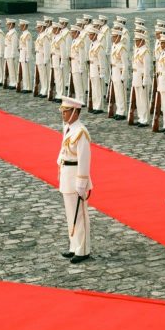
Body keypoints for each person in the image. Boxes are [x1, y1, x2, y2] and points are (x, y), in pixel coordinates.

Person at [57, 96, 93, 264]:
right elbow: (63, 150)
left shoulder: (81, 132)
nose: (63, 114)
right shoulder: (68, 128)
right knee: (71, 214)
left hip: (76, 176)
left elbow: (84, 160)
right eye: (63, 111)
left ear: (75, 112)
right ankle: (74, 246)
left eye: (66, 111)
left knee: (80, 215)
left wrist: (82, 183)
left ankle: (83, 249)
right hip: (66, 174)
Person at [131, 32, 151, 126]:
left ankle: (145, 119)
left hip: (142, 78)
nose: (136, 42)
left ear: (142, 41)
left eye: (138, 41)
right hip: (136, 77)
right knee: (138, 100)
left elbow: (147, 67)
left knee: (143, 100)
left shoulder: (145, 51)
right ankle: (140, 117)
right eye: (136, 41)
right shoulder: (137, 50)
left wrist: (145, 80)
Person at [87, 26, 107, 114]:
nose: (89, 36)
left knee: (98, 89)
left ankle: (99, 107)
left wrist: (102, 71)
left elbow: (102, 60)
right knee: (94, 89)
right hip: (92, 68)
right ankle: (95, 106)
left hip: (97, 69)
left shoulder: (99, 46)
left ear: (95, 35)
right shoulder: (92, 44)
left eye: (91, 35)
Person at [110, 29, 128, 120]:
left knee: (121, 93)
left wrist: (123, 75)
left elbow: (125, 63)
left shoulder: (122, 47)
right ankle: (118, 110)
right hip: (115, 71)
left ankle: (122, 112)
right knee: (117, 93)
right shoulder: (114, 46)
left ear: (118, 37)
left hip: (120, 72)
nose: (112, 38)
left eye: (114, 36)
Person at [34, 20, 50, 98]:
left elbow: (46, 49)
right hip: (38, 57)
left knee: (44, 75)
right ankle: (43, 89)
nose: (37, 29)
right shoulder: (39, 35)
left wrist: (46, 59)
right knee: (41, 75)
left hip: (43, 57)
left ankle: (45, 90)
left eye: (39, 27)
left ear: (42, 27)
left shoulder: (45, 36)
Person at [18, 19, 33, 93]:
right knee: (24, 72)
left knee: (27, 72)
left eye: (21, 26)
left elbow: (28, 47)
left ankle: (28, 87)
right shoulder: (23, 34)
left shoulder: (27, 35)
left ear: (24, 26)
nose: (20, 27)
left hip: (25, 56)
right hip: (22, 55)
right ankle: (25, 86)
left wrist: (28, 57)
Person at [4, 18, 18, 90]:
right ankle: (12, 82)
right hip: (7, 52)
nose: (7, 25)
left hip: (11, 53)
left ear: (12, 24)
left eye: (9, 24)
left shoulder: (14, 33)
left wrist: (13, 54)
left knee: (13, 69)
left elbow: (14, 45)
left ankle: (14, 82)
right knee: (10, 69)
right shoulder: (9, 32)